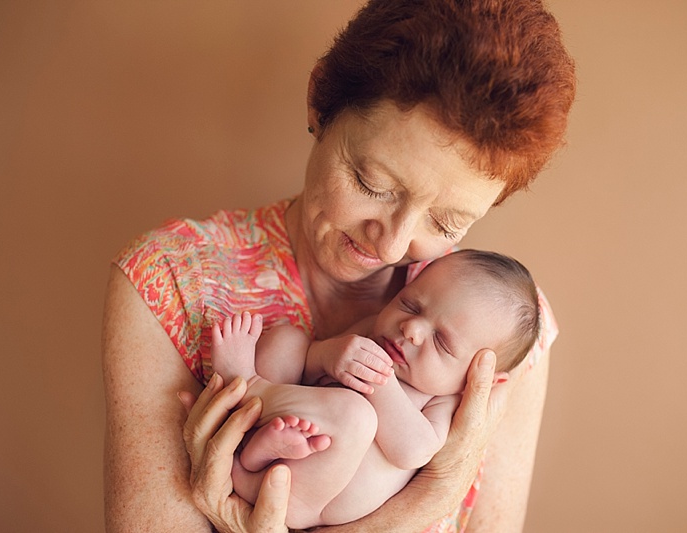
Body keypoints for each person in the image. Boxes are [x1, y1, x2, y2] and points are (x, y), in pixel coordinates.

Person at [102, 0, 575, 531]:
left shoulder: (503, 332)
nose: (394, 247)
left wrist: (431, 494)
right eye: (374, 184)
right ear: (318, 102)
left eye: (446, 223)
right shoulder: (171, 281)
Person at [208, 250, 541, 529]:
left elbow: (413, 451)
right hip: (288, 429)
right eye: (411, 305)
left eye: (441, 342)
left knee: (357, 416)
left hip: (309, 499)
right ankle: (254, 448)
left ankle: (246, 386)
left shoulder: (444, 399)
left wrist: (380, 383)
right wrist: (329, 354)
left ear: (480, 376)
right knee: (289, 339)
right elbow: (311, 370)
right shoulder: (377, 332)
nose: (411, 329)